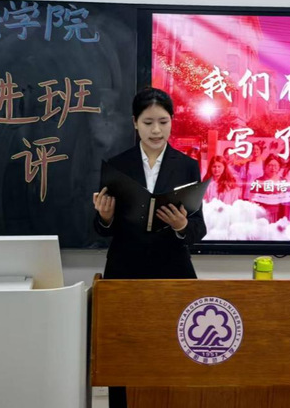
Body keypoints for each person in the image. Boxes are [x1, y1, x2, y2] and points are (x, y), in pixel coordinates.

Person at [92, 87, 206, 408]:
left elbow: (198, 229)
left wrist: (182, 225)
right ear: (135, 123)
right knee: (122, 355)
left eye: (163, 122)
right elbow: (100, 229)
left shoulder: (187, 166)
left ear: (172, 122)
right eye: (148, 123)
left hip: (173, 273)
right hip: (125, 272)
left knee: (174, 355)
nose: (156, 130)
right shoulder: (117, 166)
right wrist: (105, 217)